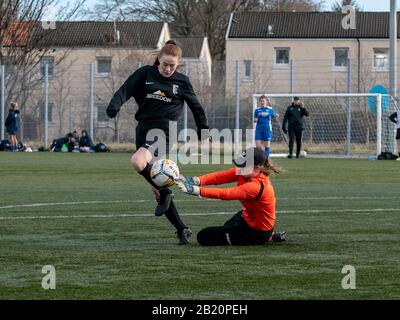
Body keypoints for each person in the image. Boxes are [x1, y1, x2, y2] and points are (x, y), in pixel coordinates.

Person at [106, 39, 209, 245]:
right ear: (158, 61)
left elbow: (196, 107)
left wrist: (203, 130)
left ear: (178, 64)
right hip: (143, 130)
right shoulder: (145, 74)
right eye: (164, 64)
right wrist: (114, 105)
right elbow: (125, 90)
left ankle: (166, 192)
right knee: (156, 184)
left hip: (163, 131)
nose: (168, 69)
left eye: (172, 65)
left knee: (137, 162)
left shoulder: (182, 82)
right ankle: (182, 229)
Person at [176, 147, 286, 246]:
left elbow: (225, 194)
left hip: (257, 232)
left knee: (203, 236)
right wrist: (195, 181)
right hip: (246, 217)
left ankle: (267, 237)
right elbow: (219, 177)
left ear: (256, 167)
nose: (239, 167)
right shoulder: (244, 172)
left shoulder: (257, 186)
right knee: (225, 228)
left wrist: (196, 190)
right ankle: (270, 236)